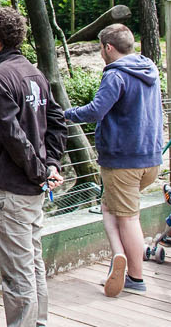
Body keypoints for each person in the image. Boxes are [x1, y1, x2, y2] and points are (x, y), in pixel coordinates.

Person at [0, 7, 67, 327]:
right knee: (33, 262)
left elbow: (12, 137)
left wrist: (40, 170)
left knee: (17, 268)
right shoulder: (34, 74)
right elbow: (56, 121)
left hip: (14, 188)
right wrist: (51, 165)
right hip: (31, 190)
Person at [63, 24, 165, 297]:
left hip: (123, 161)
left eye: (100, 48)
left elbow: (96, 110)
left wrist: (65, 114)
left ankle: (135, 275)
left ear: (108, 47)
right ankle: (118, 260)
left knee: (128, 218)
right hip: (151, 158)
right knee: (111, 209)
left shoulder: (116, 75)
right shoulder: (148, 69)